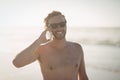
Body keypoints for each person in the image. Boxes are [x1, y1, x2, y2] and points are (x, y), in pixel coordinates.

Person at [13, 10, 89, 80]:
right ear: (47, 28)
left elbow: (83, 76)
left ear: (66, 24)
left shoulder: (77, 48)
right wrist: (38, 41)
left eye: (62, 24)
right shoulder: (41, 50)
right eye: (54, 26)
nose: (59, 28)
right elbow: (17, 63)